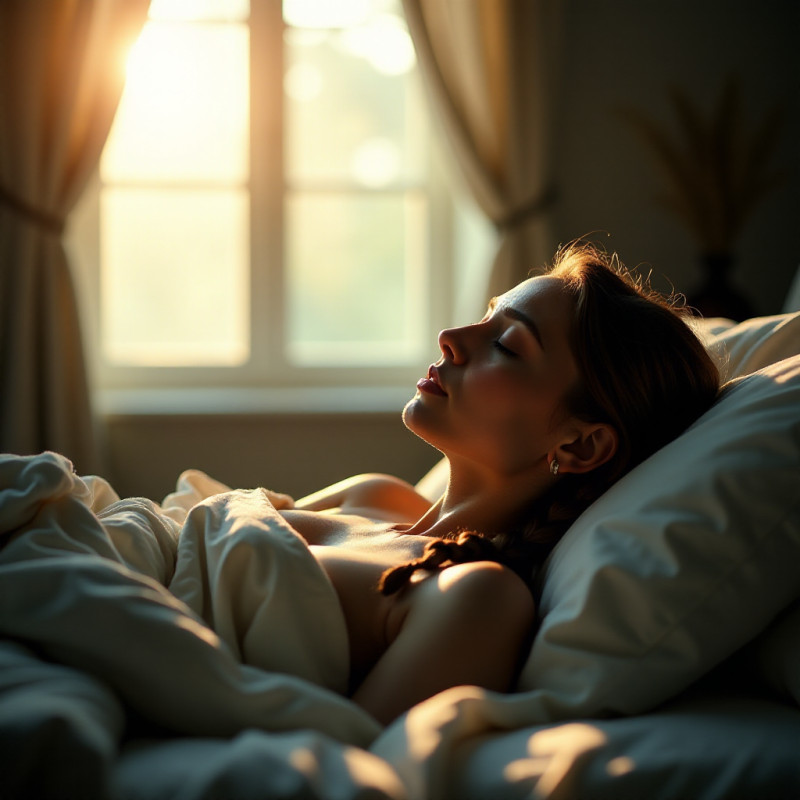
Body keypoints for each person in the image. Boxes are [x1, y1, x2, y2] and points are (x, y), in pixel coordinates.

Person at [271, 241, 721, 725]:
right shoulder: (372, 494)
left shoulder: (475, 597)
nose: (450, 336)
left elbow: (349, 763)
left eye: (506, 345)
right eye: (486, 315)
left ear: (580, 447)